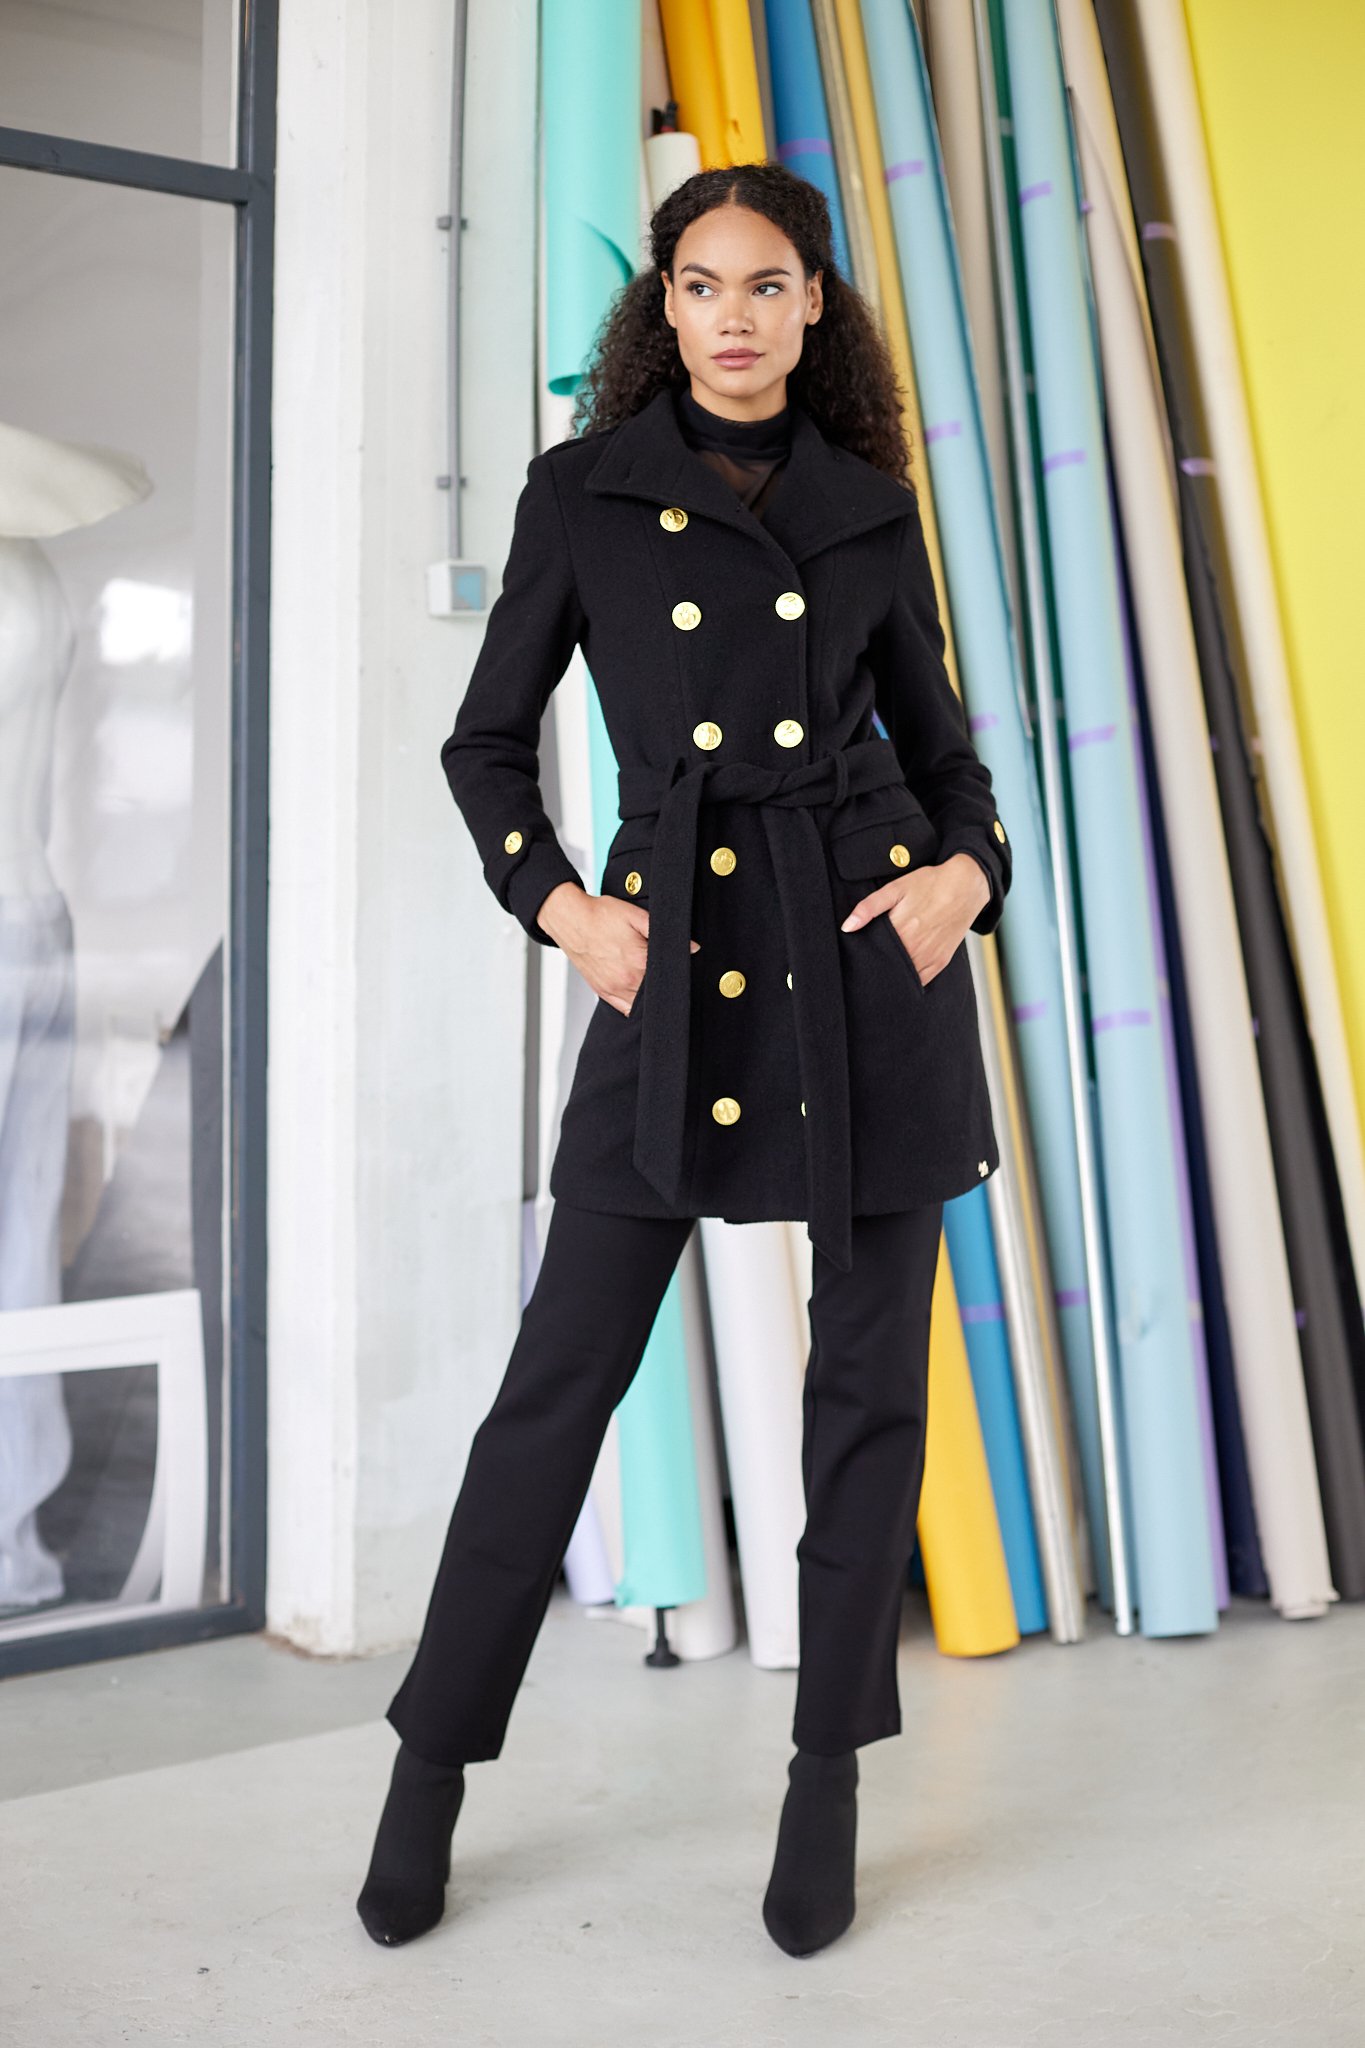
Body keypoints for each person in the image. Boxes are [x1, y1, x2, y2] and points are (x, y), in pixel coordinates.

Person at [357, 161, 1012, 1959]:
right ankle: (427, 1765)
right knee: (557, 1381)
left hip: (871, 957)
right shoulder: (584, 495)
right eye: (702, 285)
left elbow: (950, 765)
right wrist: (570, 913)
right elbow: (485, 745)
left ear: (815, 309)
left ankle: (826, 1782)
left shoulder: (871, 508)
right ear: (665, 305)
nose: (734, 315)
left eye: (769, 286)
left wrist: (965, 877)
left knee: (867, 1391)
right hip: (678, 962)